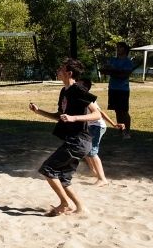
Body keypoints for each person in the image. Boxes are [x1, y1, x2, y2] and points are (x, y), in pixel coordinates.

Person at [29, 58, 101, 216]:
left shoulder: (78, 90)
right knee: (63, 179)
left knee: (47, 169)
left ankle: (64, 204)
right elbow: (60, 116)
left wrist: (75, 118)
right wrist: (39, 111)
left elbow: (96, 114)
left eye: (61, 68)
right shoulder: (64, 91)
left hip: (79, 140)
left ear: (69, 73)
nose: (58, 70)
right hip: (74, 141)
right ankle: (81, 208)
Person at [77, 78, 125, 186]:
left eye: (78, 84)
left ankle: (102, 179)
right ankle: (94, 172)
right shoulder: (78, 97)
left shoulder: (87, 97)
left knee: (92, 152)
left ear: (84, 88)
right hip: (90, 126)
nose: (75, 85)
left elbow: (100, 113)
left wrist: (113, 124)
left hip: (97, 126)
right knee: (85, 149)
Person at [100, 41, 134, 139]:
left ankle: (127, 132)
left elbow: (124, 75)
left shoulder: (128, 62)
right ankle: (120, 130)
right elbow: (104, 70)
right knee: (117, 111)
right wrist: (115, 72)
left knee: (124, 111)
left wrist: (112, 72)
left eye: (120, 47)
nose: (118, 49)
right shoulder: (113, 60)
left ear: (125, 49)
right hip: (113, 88)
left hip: (122, 89)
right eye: (117, 47)